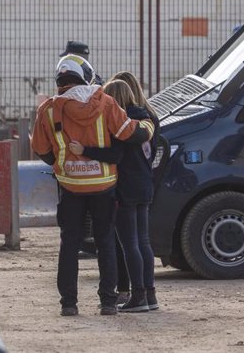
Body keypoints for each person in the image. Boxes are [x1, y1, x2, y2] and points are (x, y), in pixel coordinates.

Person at [31, 54, 154, 317]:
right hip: (104, 186)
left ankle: (69, 304)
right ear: (87, 74)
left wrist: (61, 164)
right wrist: (148, 126)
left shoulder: (49, 109)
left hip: (70, 186)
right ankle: (108, 303)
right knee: (106, 242)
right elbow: (129, 133)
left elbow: (40, 148)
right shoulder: (106, 102)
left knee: (69, 244)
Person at [70, 76, 160, 313]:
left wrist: (84, 150)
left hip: (125, 189)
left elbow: (114, 156)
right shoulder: (146, 118)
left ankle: (138, 295)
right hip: (145, 185)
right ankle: (150, 295)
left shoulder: (122, 123)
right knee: (144, 241)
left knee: (129, 243)